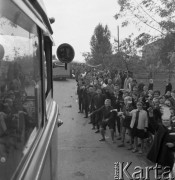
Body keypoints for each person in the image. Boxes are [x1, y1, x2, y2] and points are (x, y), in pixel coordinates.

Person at [147, 106, 175, 177]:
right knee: (162, 159)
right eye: (164, 120)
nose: (165, 122)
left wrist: (173, 144)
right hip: (161, 146)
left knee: (169, 161)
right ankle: (163, 170)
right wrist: (150, 114)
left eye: (167, 120)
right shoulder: (160, 127)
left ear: (170, 120)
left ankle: (169, 172)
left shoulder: (173, 128)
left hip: (170, 149)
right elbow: (153, 122)